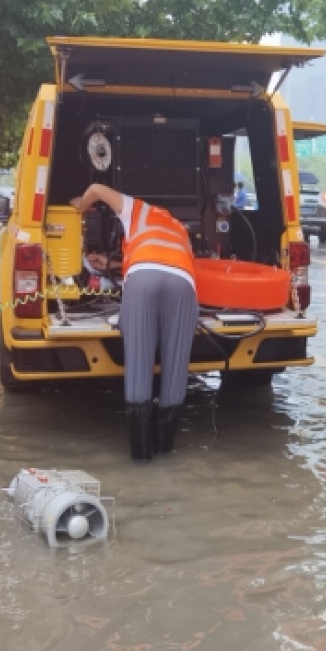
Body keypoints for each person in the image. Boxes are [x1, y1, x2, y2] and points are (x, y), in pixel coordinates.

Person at [69, 183, 197, 462]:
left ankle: (141, 458)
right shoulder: (179, 230)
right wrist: (113, 264)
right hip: (183, 283)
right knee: (176, 371)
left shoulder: (138, 210)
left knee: (138, 368)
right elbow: (166, 261)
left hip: (142, 279)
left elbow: (95, 188)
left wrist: (80, 205)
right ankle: (165, 449)